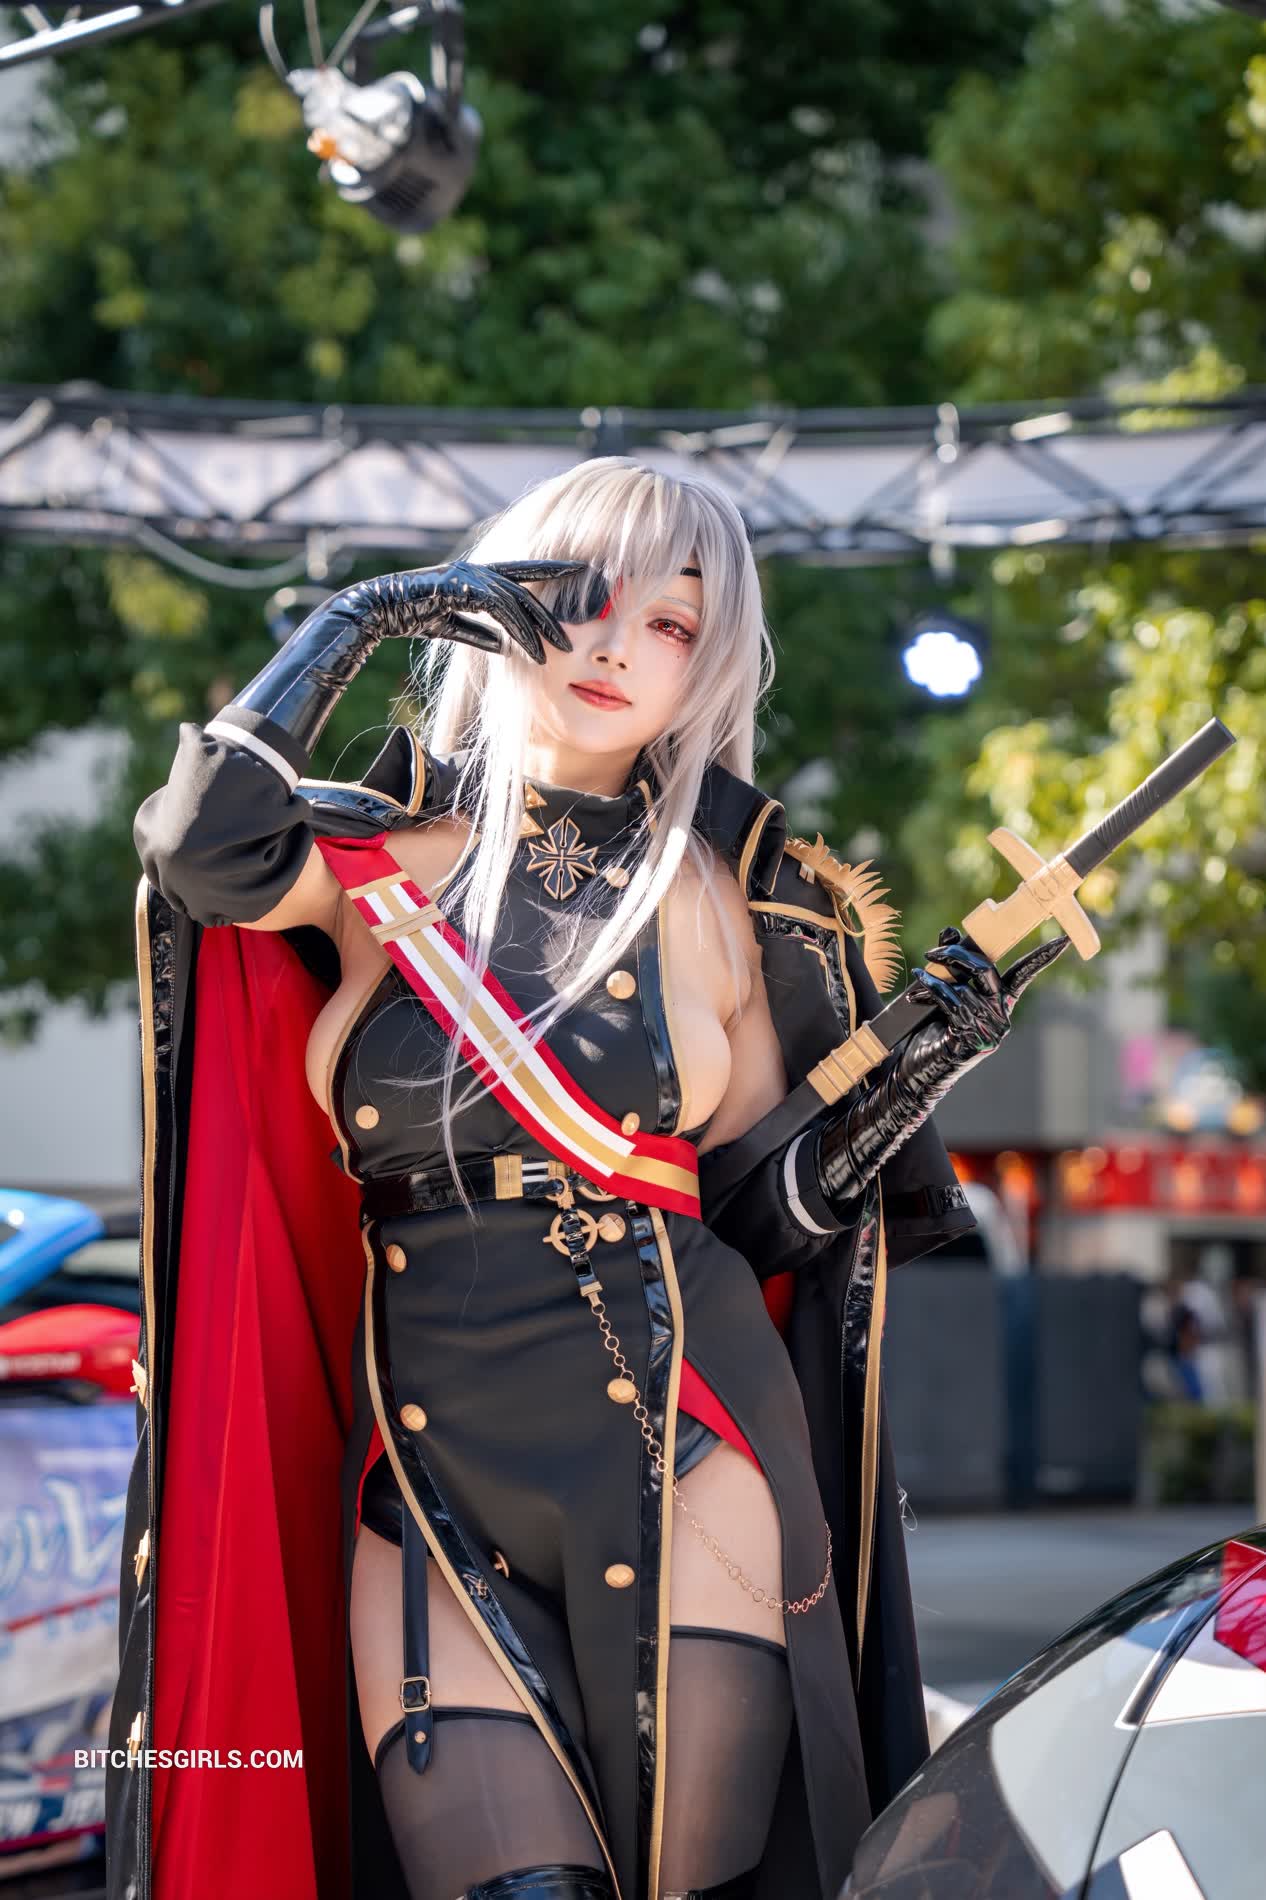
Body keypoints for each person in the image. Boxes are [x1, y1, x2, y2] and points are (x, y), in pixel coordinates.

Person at [104, 457, 1068, 1900]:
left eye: (671, 625)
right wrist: (368, 615)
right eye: (580, 600)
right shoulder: (371, 858)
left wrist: (914, 1070)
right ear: (497, 606)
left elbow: (763, 1217)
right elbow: (197, 845)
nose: (618, 648)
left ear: (705, 668)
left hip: (689, 1446)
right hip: (424, 1471)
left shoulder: (734, 896)